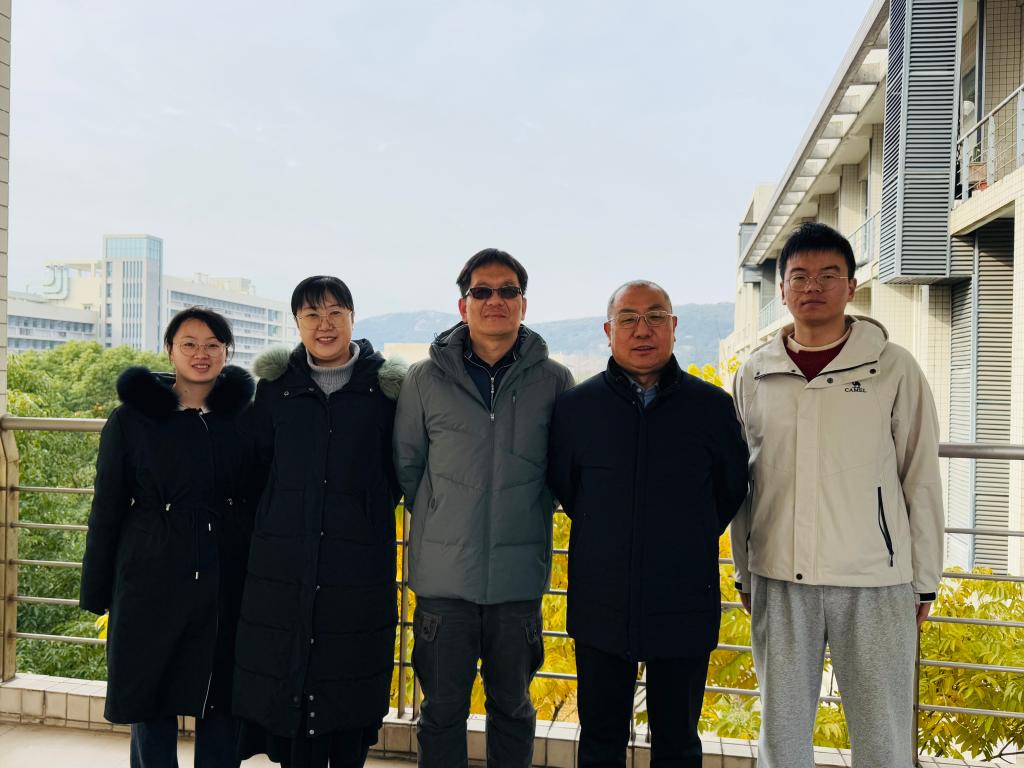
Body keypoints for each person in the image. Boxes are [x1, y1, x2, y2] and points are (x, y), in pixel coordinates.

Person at [730, 222, 944, 768]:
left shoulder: (894, 367)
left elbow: (919, 474)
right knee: (781, 737)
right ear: (782, 289)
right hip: (779, 576)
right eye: (799, 276)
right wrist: (745, 571)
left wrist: (924, 578)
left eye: (829, 275)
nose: (813, 287)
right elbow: (743, 483)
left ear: (851, 286)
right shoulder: (755, 372)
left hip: (874, 580)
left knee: (883, 735)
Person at [547, 280, 749, 768]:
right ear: (608, 331)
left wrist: (682, 535)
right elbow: (567, 487)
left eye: (655, 317)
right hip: (601, 599)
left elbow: (730, 488)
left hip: (683, 597)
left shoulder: (712, 406)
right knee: (600, 739)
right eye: (629, 319)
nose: (643, 330)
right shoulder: (576, 408)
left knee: (678, 742)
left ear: (674, 326)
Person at [393, 248, 574, 768]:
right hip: (443, 583)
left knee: (513, 709)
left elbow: (563, 471)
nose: (496, 300)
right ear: (463, 304)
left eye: (508, 290)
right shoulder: (424, 379)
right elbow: (408, 467)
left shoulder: (554, 381)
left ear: (523, 303)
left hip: (517, 583)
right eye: (482, 291)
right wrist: (444, 513)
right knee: (441, 711)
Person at [232, 275, 406, 768]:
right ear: (297, 323)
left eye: (334, 313)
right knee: (290, 692)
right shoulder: (274, 389)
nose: (324, 324)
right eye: (312, 314)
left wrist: (363, 511)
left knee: (351, 684)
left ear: (352, 318)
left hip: (358, 563)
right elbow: (254, 469)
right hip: (284, 563)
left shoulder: (387, 389)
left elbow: (400, 469)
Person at [80, 307, 256, 768]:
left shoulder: (247, 418)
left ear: (226, 352)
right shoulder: (131, 419)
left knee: (222, 697)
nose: (202, 354)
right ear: (169, 350)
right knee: (149, 695)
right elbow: (108, 506)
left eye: (213, 345)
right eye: (189, 344)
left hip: (226, 573)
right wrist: (97, 587)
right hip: (149, 572)